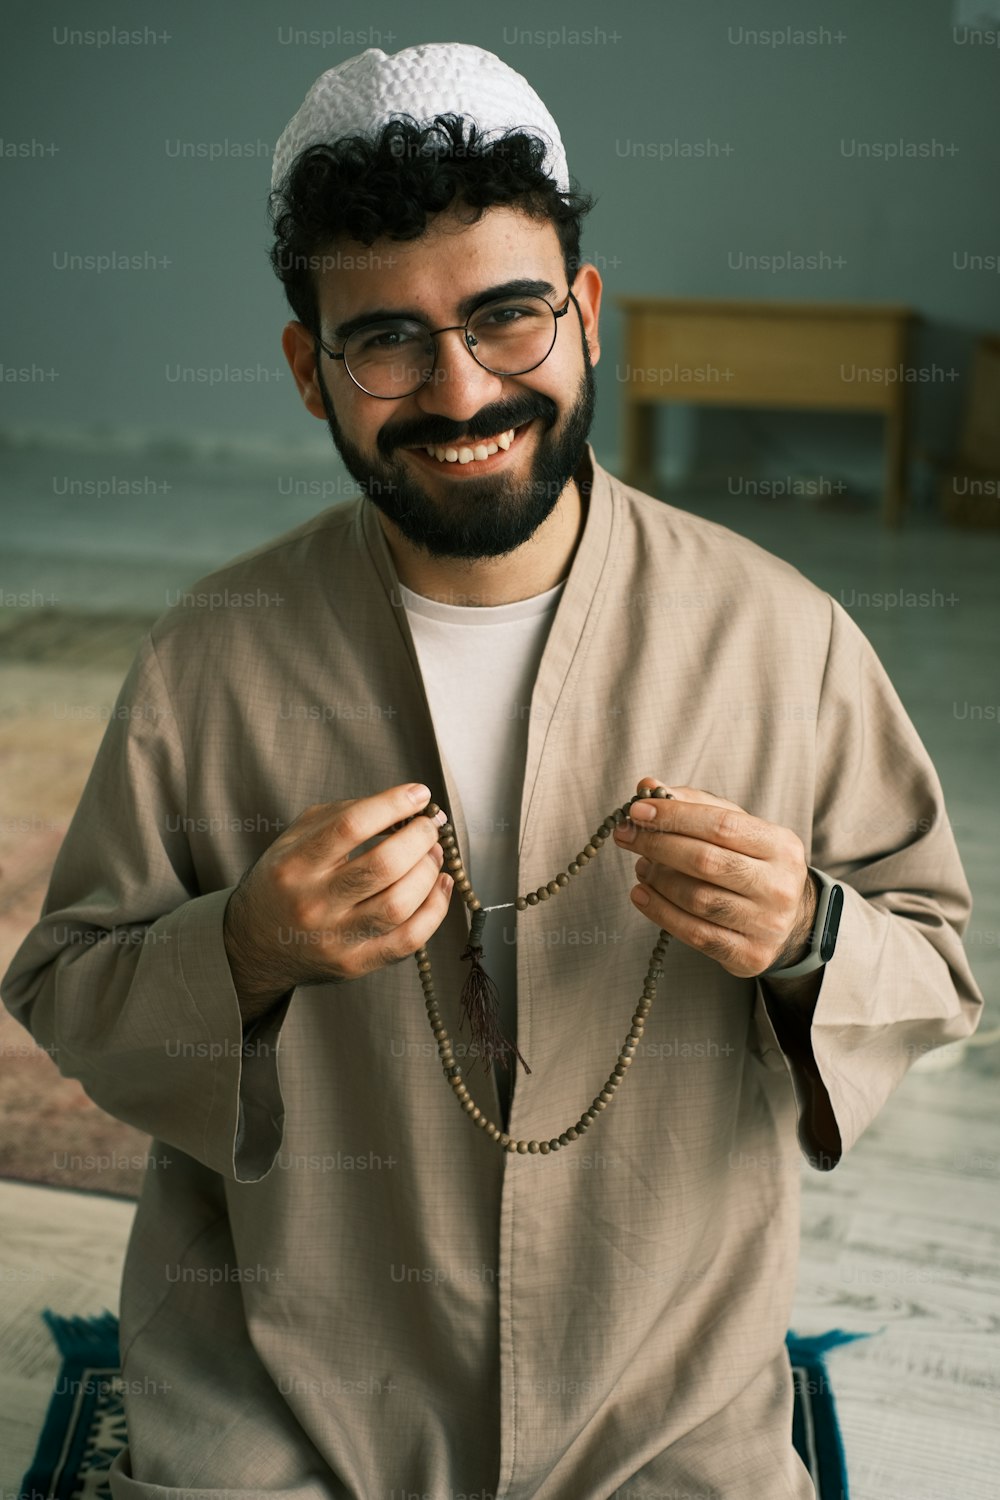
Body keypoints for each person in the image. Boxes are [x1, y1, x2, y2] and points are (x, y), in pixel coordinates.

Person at [1, 41, 983, 1500]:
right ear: (306, 369)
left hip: (662, 1385)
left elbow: (937, 970)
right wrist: (248, 944)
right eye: (386, 340)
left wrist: (807, 934)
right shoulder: (216, 652)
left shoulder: (783, 634)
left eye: (508, 319)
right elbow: (70, 985)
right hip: (289, 1378)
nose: (461, 391)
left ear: (584, 314)